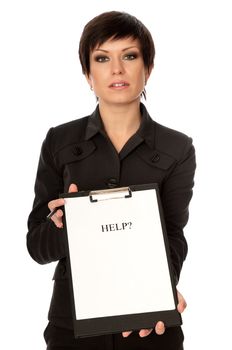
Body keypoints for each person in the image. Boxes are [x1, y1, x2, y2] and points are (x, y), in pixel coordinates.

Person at [27, 10, 196, 350]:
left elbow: (174, 237)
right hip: (71, 325)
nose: (117, 69)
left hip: (149, 325)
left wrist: (161, 288)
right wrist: (63, 226)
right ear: (88, 73)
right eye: (102, 58)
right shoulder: (58, 142)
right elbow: (36, 247)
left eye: (129, 56)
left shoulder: (178, 148)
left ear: (147, 68)